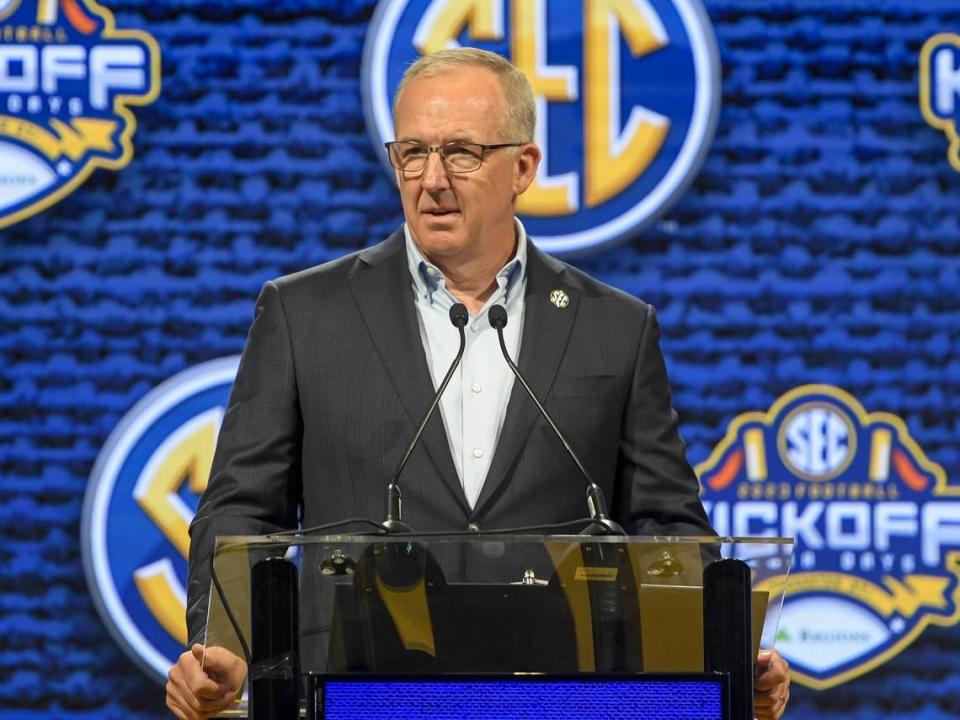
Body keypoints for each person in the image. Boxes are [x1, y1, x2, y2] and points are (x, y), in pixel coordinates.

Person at [166, 48, 790, 720]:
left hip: (560, 698)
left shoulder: (615, 327)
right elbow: (241, 510)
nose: (431, 179)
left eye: (461, 152)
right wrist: (221, 646)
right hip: (354, 691)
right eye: (412, 153)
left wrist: (720, 657)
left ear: (523, 167)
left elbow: (668, 530)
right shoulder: (302, 314)